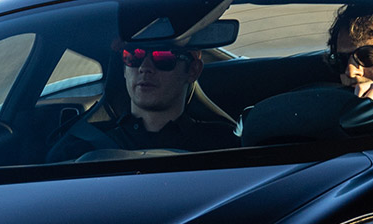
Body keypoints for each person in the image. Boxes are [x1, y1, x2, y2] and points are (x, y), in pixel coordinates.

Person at [51, 29, 236, 158]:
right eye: (133, 57)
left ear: (193, 71)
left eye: (163, 57)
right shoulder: (80, 148)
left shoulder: (225, 145)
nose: (145, 68)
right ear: (124, 69)